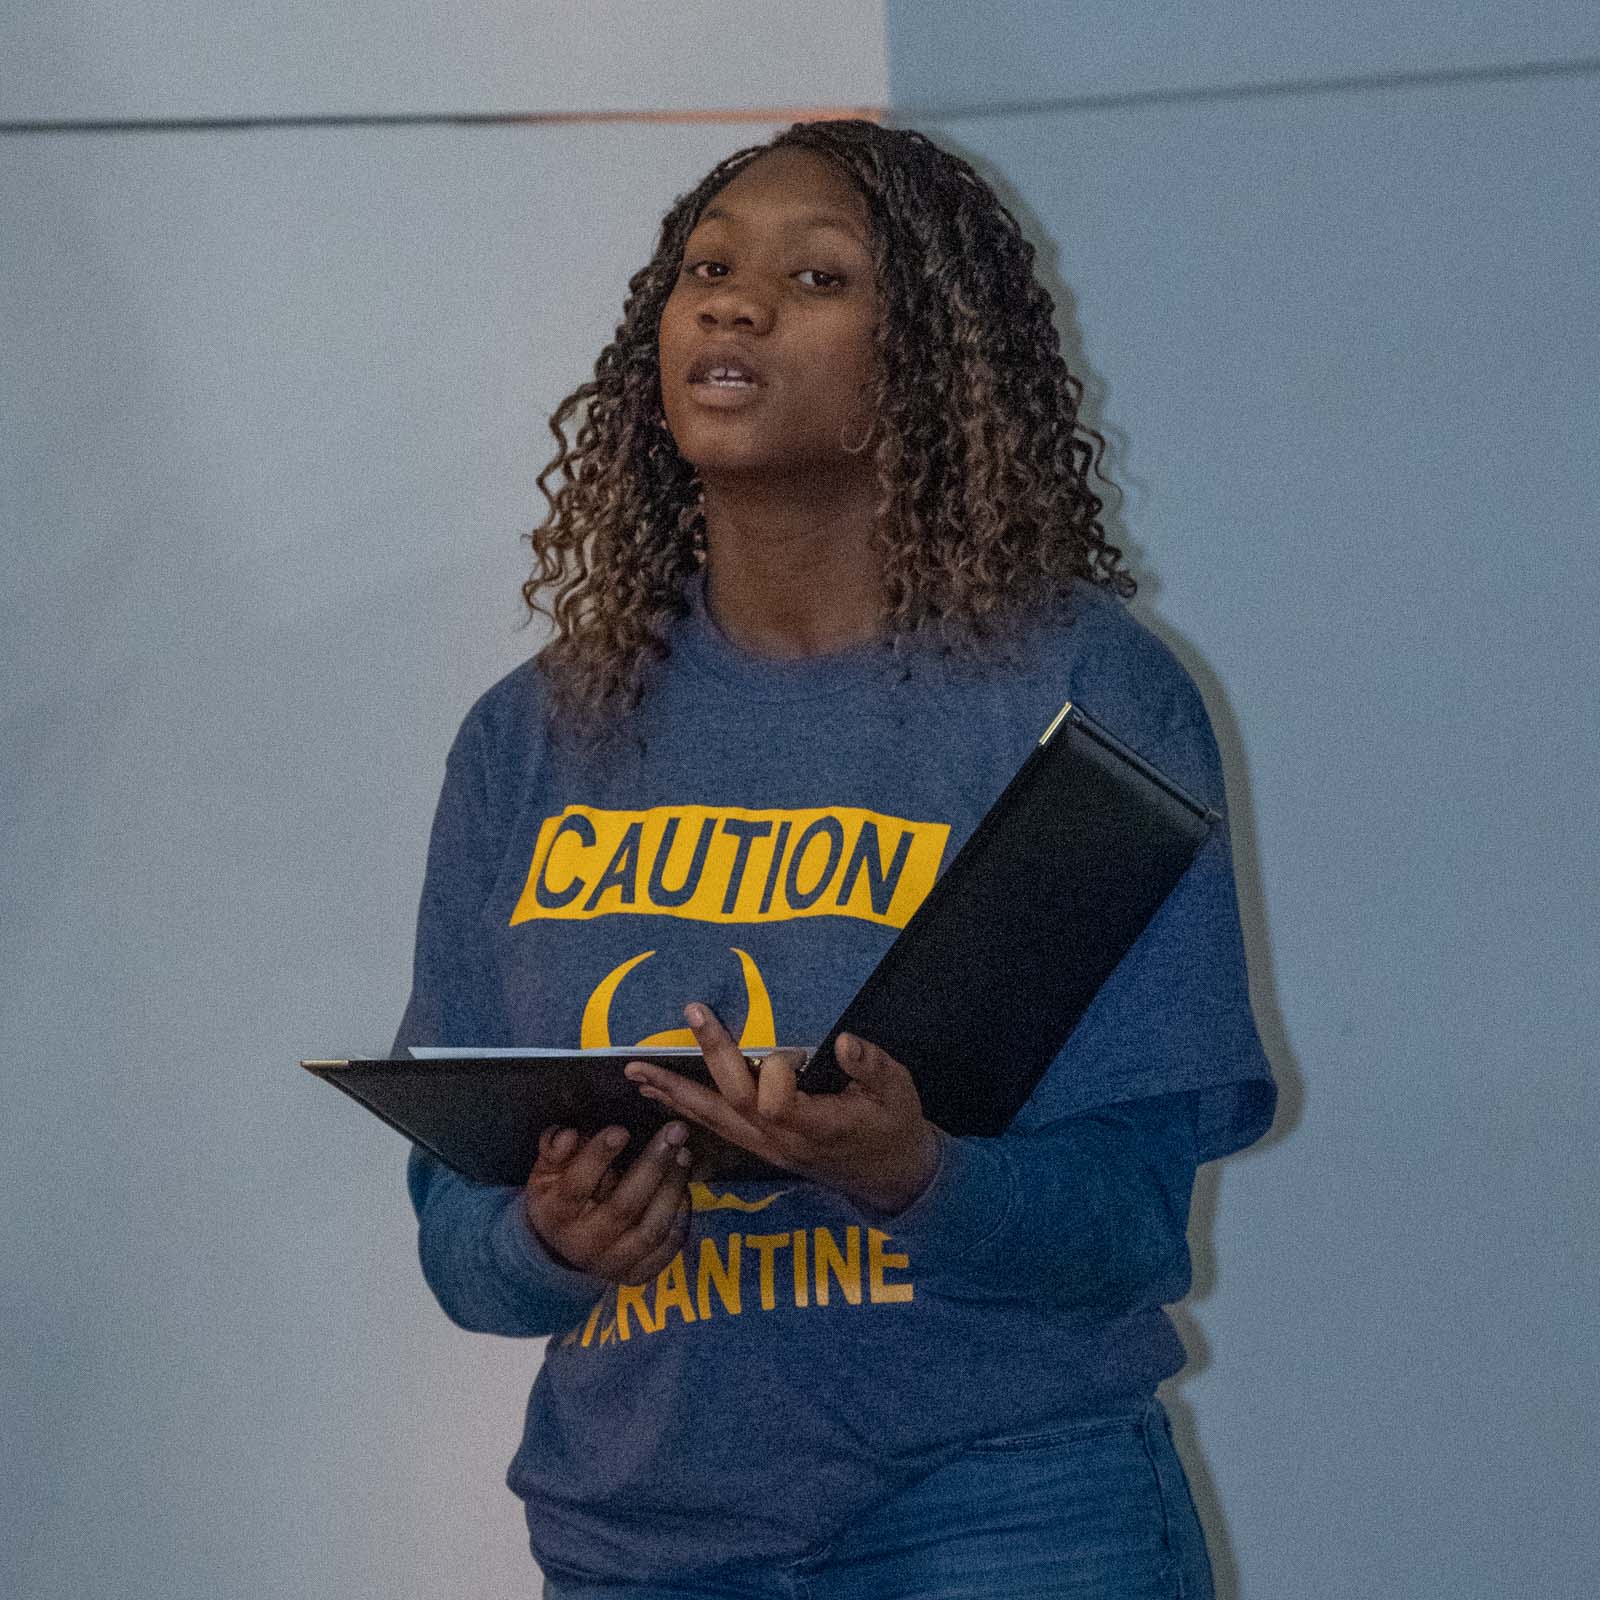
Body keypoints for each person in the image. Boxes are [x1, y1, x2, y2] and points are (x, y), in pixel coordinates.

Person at [396, 118, 1275, 1599]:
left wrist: (915, 1173)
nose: (737, 307)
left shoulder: (1076, 691)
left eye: (817, 278)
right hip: (642, 1544)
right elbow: (455, 1239)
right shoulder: (531, 735)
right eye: (708, 271)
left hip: (1005, 1521)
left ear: (925, 363)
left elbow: (1128, 1229)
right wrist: (550, 1239)